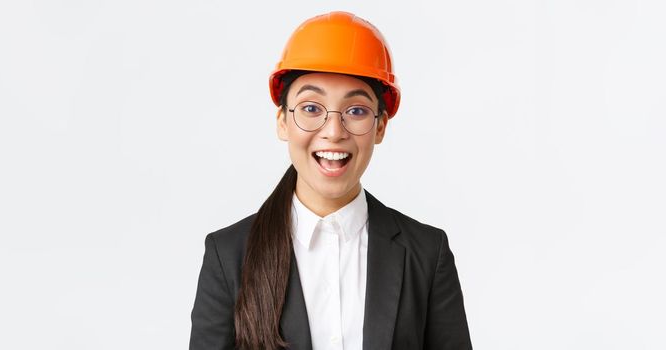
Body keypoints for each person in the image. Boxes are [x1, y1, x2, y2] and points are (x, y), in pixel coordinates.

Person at [189, 11, 471, 350]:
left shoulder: (426, 254)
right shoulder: (228, 255)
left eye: (356, 111)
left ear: (380, 126)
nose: (334, 132)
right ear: (282, 121)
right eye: (311, 108)